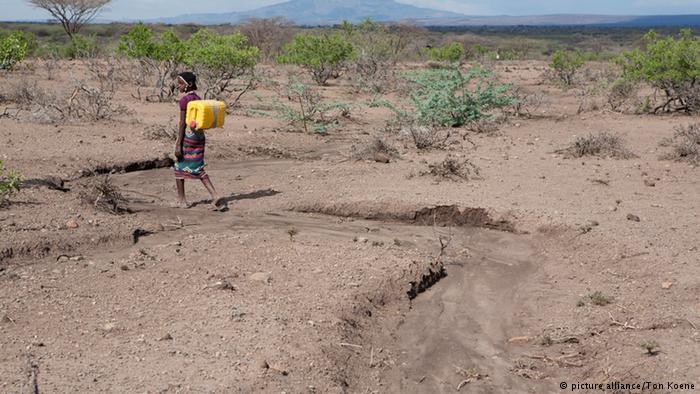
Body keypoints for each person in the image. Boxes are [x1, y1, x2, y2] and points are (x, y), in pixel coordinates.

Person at [173, 71, 224, 210]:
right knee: (198, 166)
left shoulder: (184, 101)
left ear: (188, 85)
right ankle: (214, 195)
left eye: (180, 83)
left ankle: (182, 200)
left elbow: (182, 123)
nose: (178, 86)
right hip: (200, 137)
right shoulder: (198, 98)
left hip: (189, 137)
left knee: (178, 166)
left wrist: (178, 144)